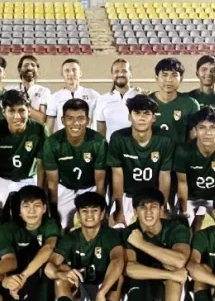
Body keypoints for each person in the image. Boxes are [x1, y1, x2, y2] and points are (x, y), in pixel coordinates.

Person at [47, 191, 125, 301]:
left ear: (102, 214)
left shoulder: (110, 235)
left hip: (104, 296)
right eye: (84, 211)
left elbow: (118, 261)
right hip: (80, 294)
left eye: (94, 210)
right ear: (78, 214)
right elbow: (50, 266)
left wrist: (102, 292)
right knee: (61, 276)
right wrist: (62, 274)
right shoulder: (71, 237)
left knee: (119, 277)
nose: (89, 215)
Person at [123, 187, 191, 301]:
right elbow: (130, 268)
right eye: (142, 207)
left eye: (153, 206)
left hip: (171, 291)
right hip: (141, 291)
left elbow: (179, 260)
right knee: (140, 275)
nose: (148, 212)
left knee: (172, 266)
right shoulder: (129, 232)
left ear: (161, 210)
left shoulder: (176, 228)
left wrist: (142, 244)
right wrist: (170, 274)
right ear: (135, 211)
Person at [0, 185, 61, 301]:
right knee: (10, 266)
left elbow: (48, 247)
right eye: (26, 206)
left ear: (44, 208)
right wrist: (6, 280)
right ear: (18, 209)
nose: (31, 211)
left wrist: (24, 275)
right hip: (18, 274)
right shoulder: (9, 228)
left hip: (36, 275)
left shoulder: (49, 224)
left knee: (47, 264)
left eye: (37, 206)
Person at [105, 94, 175, 226]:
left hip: (153, 195)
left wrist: (163, 206)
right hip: (127, 194)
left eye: (146, 113)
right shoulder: (118, 138)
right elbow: (117, 175)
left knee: (163, 230)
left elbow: (164, 176)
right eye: (137, 113)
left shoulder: (165, 139)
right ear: (129, 117)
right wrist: (119, 209)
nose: (142, 118)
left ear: (153, 117)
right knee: (114, 228)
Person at [42, 98, 108, 229]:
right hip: (66, 187)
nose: (75, 123)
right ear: (62, 120)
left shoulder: (99, 142)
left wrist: (100, 209)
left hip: (91, 187)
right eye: (70, 118)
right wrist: (53, 213)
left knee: (93, 224)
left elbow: (100, 183)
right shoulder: (52, 143)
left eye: (80, 118)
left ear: (88, 121)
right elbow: (52, 184)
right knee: (62, 225)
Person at [0, 89, 46, 214]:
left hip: (27, 177)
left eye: (21, 110)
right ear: (4, 112)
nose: (17, 116)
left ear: (29, 111)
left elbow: (41, 164)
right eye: (11, 111)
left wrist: (40, 192)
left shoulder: (39, 130)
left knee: (29, 213)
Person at [173, 107, 215, 233]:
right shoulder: (184, 151)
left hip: (213, 196)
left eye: (213, 127)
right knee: (181, 232)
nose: (207, 132)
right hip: (191, 197)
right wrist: (184, 211)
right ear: (195, 130)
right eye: (202, 127)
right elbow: (182, 183)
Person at [150, 57, 201, 145]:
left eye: (174, 75)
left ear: (181, 79)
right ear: (156, 77)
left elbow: (194, 137)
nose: (169, 80)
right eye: (164, 75)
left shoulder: (190, 104)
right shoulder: (146, 103)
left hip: (180, 157)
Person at [46, 58, 100, 132]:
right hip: (64, 141)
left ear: (80, 73)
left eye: (74, 70)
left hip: (87, 140)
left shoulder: (93, 94)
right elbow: (49, 126)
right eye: (67, 70)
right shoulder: (55, 97)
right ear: (62, 74)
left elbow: (102, 120)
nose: (71, 73)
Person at [94, 58, 140, 142]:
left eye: (124, 71)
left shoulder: (140, 96)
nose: (120, 74)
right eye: (116, 71)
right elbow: (101, 131)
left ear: (130, 74)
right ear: (112, 75)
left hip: (135, 150)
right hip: (112, 150)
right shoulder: (103, 99)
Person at [12, 54, 51, 124]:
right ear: (19, 69)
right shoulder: (11, 90)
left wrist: (23, 105)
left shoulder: (44, 91)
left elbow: (42, 118)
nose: (30, 67)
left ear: (37, 70)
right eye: (26, 65)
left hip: (35, 132)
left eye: (33, 65)